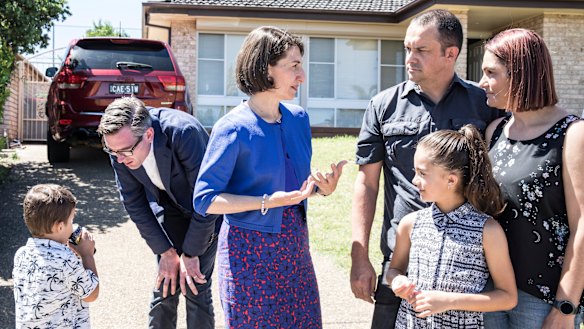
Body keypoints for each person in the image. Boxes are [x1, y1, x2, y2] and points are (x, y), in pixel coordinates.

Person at [350, 9, 504, 328]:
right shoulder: (383, 106)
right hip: (401, 263)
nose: (410, 57)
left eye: (421, 50)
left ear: (451, 54)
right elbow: (367, 183)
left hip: (468, 269)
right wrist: (359, 256)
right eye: (408, 48)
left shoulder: (484, 105)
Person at [193, 26, 346, 329]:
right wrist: (266, 202)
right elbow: (205, 199)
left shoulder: (299, 119)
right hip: (248, 253)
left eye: (301, 65)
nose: (301, 75)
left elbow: (295, 189)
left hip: (295, 247)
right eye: (293, 66)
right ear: (266, 68)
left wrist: (321, 189)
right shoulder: (232, 128)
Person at [480, 28, 584, 328]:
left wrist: (565, 306)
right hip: (490, 290)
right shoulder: (495, 131)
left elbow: (581, 227)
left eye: (491, 72)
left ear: (521, 74)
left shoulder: (572, 134)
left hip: (541, 298)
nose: (482, 82)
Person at [97, 96, 221, 329]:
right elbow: (134, 203)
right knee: (166, 285)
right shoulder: (120, 147)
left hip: (205, 210)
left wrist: (192, 254)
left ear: (149, 135)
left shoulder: (184, 133)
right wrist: (165, 252)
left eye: (124, 152)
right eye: (112, 152)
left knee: (195, 286)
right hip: (168, 207)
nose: (120, 160)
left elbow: (207, 201)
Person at [386, 125, 517, 328]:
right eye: (415, 171)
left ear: (451, 180)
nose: (414, 180)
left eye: (422, 173)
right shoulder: (410, 224)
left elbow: (507, 297)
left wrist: (449, 301)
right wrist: (397, 281)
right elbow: (394, 269)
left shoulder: (487, 231)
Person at [13, 184, 99, 328]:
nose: (73, 225)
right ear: (59, 227)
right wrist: (86, 255)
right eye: (71, 221)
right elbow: (91, 294)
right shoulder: (65, 260)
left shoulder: (21, 254)